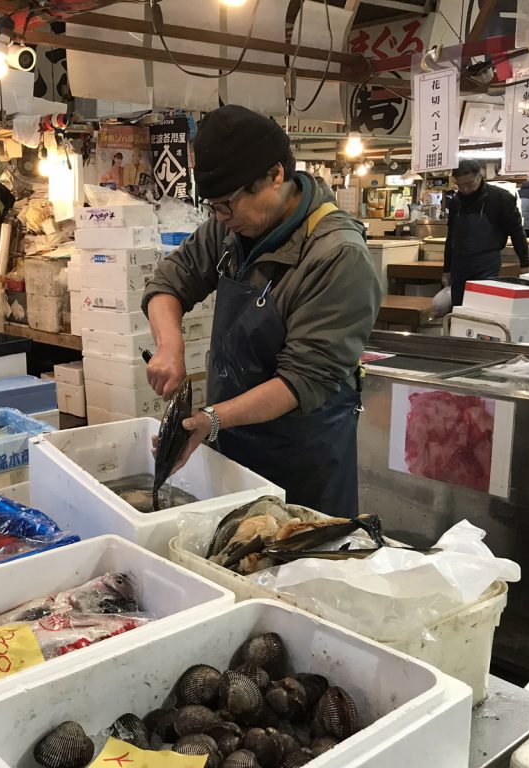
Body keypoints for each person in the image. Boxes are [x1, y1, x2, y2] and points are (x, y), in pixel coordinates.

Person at [142, 105, 381, 517]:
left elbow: (301, 380)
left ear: (275, 176)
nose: (219, 219)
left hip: (301, 459)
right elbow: (171, 280)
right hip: (232, 441)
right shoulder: (230, 225)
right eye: (213, 207)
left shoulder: (337, 256)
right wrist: (170, 346)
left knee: (294, 570)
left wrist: (210, 420)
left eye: (227, 205)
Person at [443, 161, 529, 307]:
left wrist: (525, 263)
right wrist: (446, 269)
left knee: (481, 307)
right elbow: (451, 235)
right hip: (459, 263)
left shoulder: (501, 198)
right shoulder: (456, 202)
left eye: (470, 184)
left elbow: (517, 231)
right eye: (460, 185)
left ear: (480, 176)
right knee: (458, 308)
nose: (465, 189)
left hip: (486, 263)